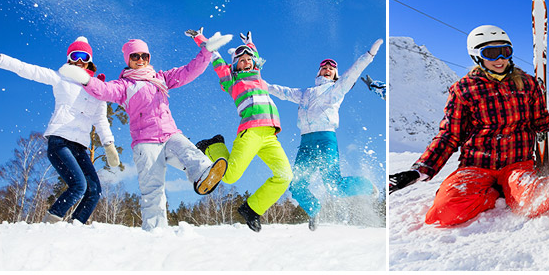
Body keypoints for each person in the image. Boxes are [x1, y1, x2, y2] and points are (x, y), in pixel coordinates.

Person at [388, 25, 549, 227]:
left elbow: (537, 124)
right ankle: (494, 193)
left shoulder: (528, 84)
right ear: (477, 56)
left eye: (505, 51)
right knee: (442, 214)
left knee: (532, 203)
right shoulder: (464, 89)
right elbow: (449, 136)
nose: (500, 59)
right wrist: (418, 171)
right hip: (477, 166)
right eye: (491, 53)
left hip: (517, 164)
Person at [59, 30, 231, 231]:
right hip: (145, 142)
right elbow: (104, 90)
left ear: (149, 58)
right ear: (128, 59)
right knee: (153, 189)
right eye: (135, 56)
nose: (140, 60)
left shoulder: (161, 78)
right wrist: (86, 79)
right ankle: (155, 232)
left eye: (144, 56)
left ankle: (204, 175)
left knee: (190, 151)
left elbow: (188, 71)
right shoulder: (124, 85)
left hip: (169, 134)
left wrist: (207, 52)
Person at [0, 37, 120, 224]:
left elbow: (101, 120)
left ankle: (75, 228)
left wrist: (109, 144)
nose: (79, 61)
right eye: (75, 55)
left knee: (94, 190)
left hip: (80, 147)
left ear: (90, 60)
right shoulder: (60, 78)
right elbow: (27, 70)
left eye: (84, 56)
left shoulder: (97, 90)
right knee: (78, 185)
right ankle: (49, 225)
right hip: (60, 141)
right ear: (69, 59)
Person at [262, 39, 383, 231]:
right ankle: (314, 209)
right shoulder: (305, 93)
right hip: (306, 143)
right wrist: (263, 85)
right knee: (297, 185)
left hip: (326, 139)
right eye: (323, 67)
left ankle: (367, 186)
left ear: (336, 74)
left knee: (334, 186)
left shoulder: (337, 88)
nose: (327, 69)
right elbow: (283, 92)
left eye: (331, 68)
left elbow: (353, 73)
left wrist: (368, 56)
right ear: (318, 72)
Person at [193, 31, 292, 233]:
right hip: (251, 131)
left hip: (271, 137)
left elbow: (253, 56)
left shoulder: (258, 77)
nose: (246, 63)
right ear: (235, 65)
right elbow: (216, 58)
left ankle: (251, 209)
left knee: (285, 176)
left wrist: (250, 43)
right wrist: (202, 40)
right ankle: (212, 146)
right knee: (228, 177)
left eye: (249, 60)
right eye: (241, 60)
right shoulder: (233, 81)